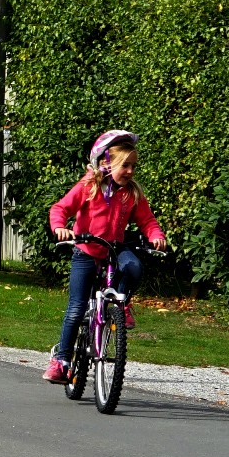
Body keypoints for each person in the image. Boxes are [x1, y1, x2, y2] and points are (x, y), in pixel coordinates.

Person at [43, 130, 167, 385]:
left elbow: (147, 220)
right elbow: (60, 208)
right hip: (87, 251)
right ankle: (62, 361)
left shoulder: (131, 193)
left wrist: (156, 235)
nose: (131, 171)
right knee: (76, 309)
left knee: (133, 266)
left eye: (133, 165)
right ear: (106, 164)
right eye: (125, 165)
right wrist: (60, 228)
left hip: (114, 249)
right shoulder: (88, 187)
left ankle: (121, 304)